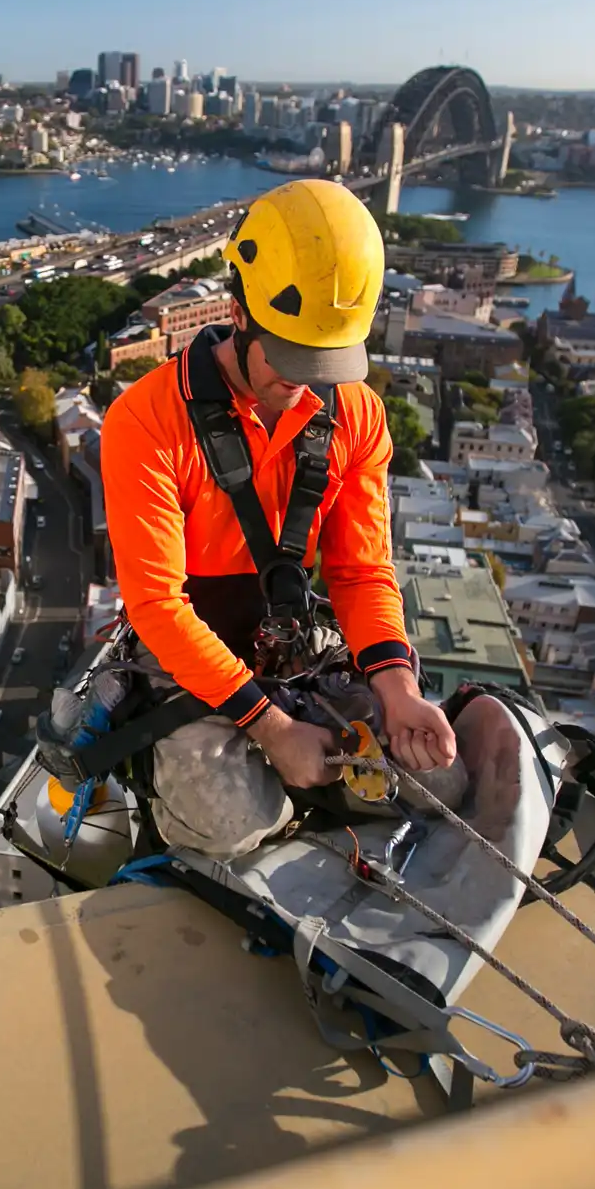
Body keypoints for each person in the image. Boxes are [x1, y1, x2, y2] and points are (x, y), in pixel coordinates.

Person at [101, 179, 457, 855]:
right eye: (291, 356)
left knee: (440, 781)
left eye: (325, 360)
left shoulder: (355, 414)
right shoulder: (148, 421)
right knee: (233, 826)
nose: (305, 379)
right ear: (238, 313)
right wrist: (271, 727)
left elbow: (360, 571)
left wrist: (398, 688)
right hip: (186, 654)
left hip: (293, 638)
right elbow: (158, 606)